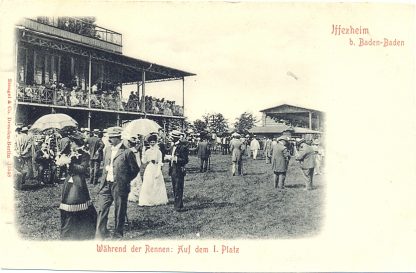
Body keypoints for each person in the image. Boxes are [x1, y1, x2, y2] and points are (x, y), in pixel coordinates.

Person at [95, 127, 140, 239]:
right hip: (106, 185)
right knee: (101, 208)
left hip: (120, 186)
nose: (109, 139)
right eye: (109, 137)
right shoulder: (108, 150)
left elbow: (135, 169)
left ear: (118, 138)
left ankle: (118, 234)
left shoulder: (127, 152)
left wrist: (125, 180)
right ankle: (101, 234)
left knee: (119, 210)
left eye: (112, 137)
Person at [56, 133, 97, 240]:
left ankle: (80, 229)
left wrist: (71, 164)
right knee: (67, 204)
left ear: (76, 143)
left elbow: (83, 169)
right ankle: (68, 230)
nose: (70, 144)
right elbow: (61, 162)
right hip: (68, 181)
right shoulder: (69, 153)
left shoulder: (85, 154)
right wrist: (62, 161)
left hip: (78, 181)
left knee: (74, 202)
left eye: (72, 143)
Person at [138, 134, 168, 206]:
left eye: (153, 142)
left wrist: (158, 170)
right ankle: (148, 200)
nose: (152, 143)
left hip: (156, 167)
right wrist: (143, 153)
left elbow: (160, 161)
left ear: (155, 142)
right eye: (151, 142)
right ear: (149, 143)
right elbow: (144, 161)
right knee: (148, 183)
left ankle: (156, 199)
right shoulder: (147, 151)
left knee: (156, 183)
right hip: (149, 168)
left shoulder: (158, 151)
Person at [165, 130, 189, 212]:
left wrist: (175, 159)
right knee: (175, 188)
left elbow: (185, 160)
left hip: (179, 170)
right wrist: (168, 158)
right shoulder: (172, 146)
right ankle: (179, 204)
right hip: (172, 169)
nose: (170, 138)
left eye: (171, 137)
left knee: (178, 187)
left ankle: (177, 207)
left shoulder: (183, 147)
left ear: (175, 138)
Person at [127, 136, 142, 203]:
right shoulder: (136, 151)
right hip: (137, 167)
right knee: (137, 181)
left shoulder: (130, 151)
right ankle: (137, 194)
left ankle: (133, 195)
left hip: (132, 167)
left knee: (133, 181)